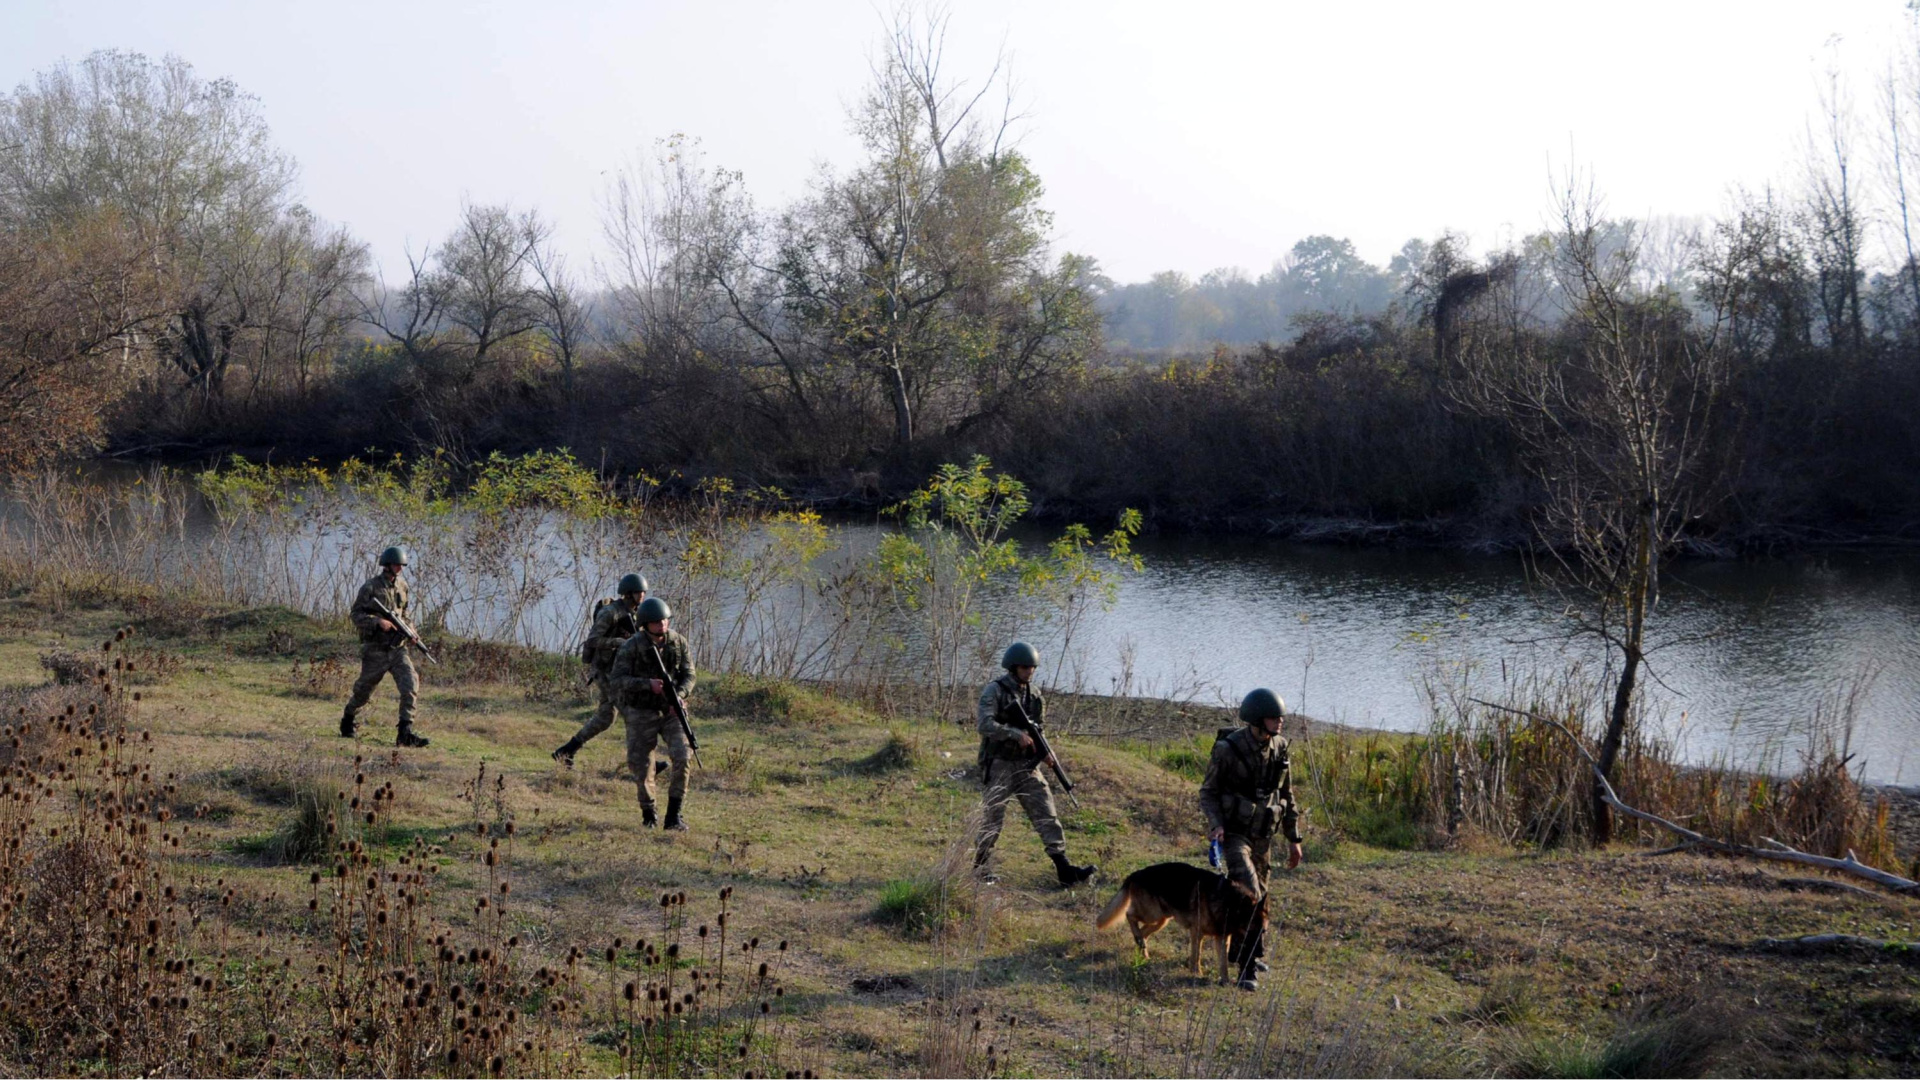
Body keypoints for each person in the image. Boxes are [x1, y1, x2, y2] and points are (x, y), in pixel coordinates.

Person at [1198, 688, 1304, 991]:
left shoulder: (1280, 747)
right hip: (1235, 834)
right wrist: (1216, 825)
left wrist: (1293, 838)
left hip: (1263, 836)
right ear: (1258, 720)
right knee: (1250, 895)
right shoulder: (1228, 749)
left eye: (1281, 716)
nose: (1281, 721)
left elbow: (1287, 795)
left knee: (1263, 896)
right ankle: (1247, 969)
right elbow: (1208, 791)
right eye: (1274, 717)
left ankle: (1243, 952)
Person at [974, 642, 1096, 887]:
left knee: (1046, 813)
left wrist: (1044, 752)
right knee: (993, 817)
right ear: (1013, 667)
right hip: (999, 764)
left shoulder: (1035, 695)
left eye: (1032, 667)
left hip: (1026, 766)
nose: (1029, 671)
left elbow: (1037, 729)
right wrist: (1013, 734)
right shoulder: (995, 691)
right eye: (1024, 667)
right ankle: (980, 867)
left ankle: (1064, 869)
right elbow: (984, 725)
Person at [606, 597, 696, 829]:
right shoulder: (631, 646)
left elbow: (689, 674)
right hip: (640, 711)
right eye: (657, 622)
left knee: (684, 756)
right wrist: (647, 684)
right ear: (646, 624)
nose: (662, 625)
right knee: (642, 764)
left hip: (671, 710)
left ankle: (674, 816)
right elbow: (617, 680)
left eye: (665, 620)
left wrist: (681, 695)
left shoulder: (678, 643)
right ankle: (649, 813)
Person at [552, 572, 649, 766]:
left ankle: (566, 751)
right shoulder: (610, 613)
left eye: (644, 592)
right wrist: (618, 642)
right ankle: (646, 763)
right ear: (628, 593)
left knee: (606, 717)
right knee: (631, 713)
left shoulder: (637, 613)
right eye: (639, 592)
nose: (643, 596)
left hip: (619, 670)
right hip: (605, 671)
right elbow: (593, 640)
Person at [340, 545, 431, 748]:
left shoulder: (403, 586)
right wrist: (377, 622)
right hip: (376, 649)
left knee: (410, 685)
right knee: (364, 690)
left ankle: (404, 733)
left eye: (401, 565)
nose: (399, 568)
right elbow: (355, 615)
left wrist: (412, 631)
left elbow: (405, 613)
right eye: (396, 565)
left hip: (398, 649)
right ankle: (348, 719)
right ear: (387, 565)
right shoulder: (370, 587)